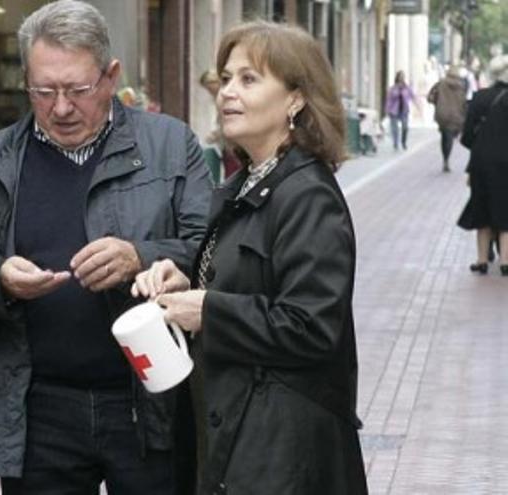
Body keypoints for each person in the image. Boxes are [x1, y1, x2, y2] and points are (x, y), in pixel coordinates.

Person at [0, 1, 211, 493]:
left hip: (148, 403)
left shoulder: (171, 145)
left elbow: (213, 256)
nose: (60, 107)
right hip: (37, 410)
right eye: (42, 90)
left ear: (111, 76)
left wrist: (139, 256)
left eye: (78, 89)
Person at [132, 21, 368, 494]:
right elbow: (247, 282)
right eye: (226, 78)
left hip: (281, 453)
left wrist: (207, 310)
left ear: (296, 99)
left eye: (249, 79)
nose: (227, 93)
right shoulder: (245, 183)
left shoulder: (307, 194)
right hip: (233, 436)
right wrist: (185, 281)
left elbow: (312, 325)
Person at [458, 54, 508, 276]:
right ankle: (506, 260)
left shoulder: (479, 98)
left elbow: (467, 135)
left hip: (482, 162)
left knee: (482, 207)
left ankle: (481, 260)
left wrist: (482, 147)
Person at [427, 65, 467, 171]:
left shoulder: (441, 83)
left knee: (444, 137)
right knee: (449, 138)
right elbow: (463, 102)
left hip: (442, 114)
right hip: (455, 116)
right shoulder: (461, 86)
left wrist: (437, 103)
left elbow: (430, 96)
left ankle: (445, 159)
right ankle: (446, 159)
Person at [386, 70, 416, 150]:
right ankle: (395, 143)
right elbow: (389, 99)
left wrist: (417, 105)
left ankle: (403, 142)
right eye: (400, 76)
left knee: (405, 127)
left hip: (404, 110)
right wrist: (387, 109)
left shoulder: (407, 88)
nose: (401, 78)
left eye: (403, 76)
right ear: (397, 78)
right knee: (394, 128)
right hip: (394, 110)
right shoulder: (393, 88)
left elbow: (412, 96)